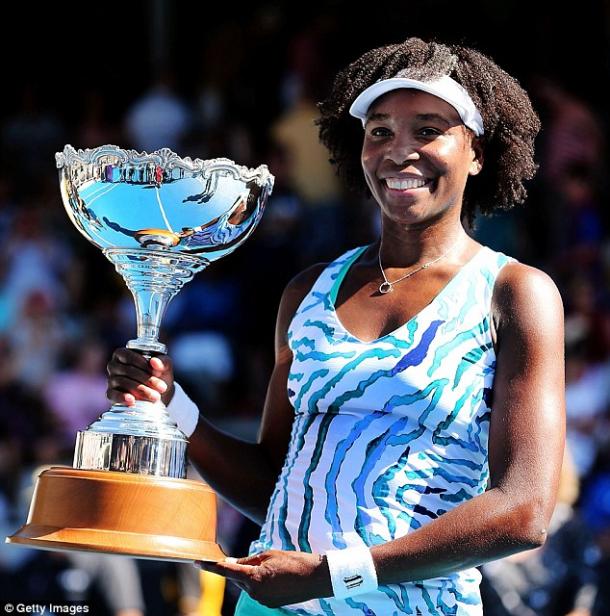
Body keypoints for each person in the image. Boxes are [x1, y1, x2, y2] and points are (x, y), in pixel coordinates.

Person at [106, 38, 565, 615]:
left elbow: (523, 512)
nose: (400, 152)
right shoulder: (309, 290)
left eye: (428, 130)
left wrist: (333, 576)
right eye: (380, 131)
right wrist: (170, 405)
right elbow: (270, 483)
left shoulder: (517, 293)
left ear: (477, 152)